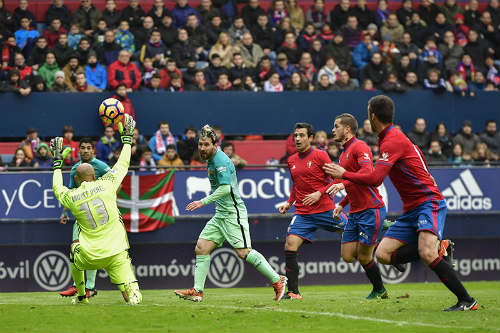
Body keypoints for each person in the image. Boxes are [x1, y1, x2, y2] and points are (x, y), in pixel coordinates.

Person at [324, 95, 477, 311]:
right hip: (411, 209)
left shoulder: (391, 140)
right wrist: (426, 172)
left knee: (426, 252)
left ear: (373, 116)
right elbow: (417, 152)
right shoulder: (392, 137)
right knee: (383, 254)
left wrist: (344, 174)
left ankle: (467, 300)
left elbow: (376, 179)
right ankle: (439, 249)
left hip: (427, 202)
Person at [175, 125, 287, 302]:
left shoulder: (221, 161)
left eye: (206, 144)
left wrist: (202, 202)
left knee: (243, 253)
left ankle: (277, 280)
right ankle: (197, 290)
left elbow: (226, 189)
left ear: (214, 145)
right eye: (200, 144)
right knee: (202, 248)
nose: (202, 148)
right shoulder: (210, 158)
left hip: (233, 213)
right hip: (221, 214)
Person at [52, 115, 142, 305]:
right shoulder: (107, 184)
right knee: (132, 291)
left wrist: (57, 164)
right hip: (116, 252)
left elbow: (57, 188)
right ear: (95, 175)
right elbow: (123, 164)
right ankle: (133, 294)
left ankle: (82, 293)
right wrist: (127, 140)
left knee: (73, 250)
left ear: (76, 180)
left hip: (89, 255)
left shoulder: (71, 197)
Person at [277, 123, 347, 299]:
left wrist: (319, 193)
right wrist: (289, 202)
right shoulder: (291, 160)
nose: (298, 139)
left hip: (326, 210)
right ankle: (293, 292)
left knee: (356, 234)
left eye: (301, 135)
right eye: (296, 135)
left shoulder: (320, 155)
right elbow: (296, 186)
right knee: (290, 245)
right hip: (303, 214)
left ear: (310, 138)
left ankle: (383, 252)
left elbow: (336, 180)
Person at [327, 113, 388, 299]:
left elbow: (368, 174)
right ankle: (380, 236)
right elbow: (353, 181)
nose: (332, 129)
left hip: (371, 209)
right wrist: (343, 203)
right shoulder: (344, 152)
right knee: (347, 256)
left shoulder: (360, 146)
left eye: (336, 126)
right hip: (354, 211)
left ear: (347, 129)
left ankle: (380, 290)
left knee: (363, 256)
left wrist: (342, 183)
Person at [58, 137, 111, 299]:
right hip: (81, 217)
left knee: (91, 249)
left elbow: (117, 182)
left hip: (97, 217)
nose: (86, 150)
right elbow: (70, 193)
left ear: (93, 150)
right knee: (76, 249)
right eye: (83, 148)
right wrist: (65, 212)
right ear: (79, 150)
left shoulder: (101, 166)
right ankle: (78, 285)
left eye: (89, 148)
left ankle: (90, 287)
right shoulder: (75, 169)